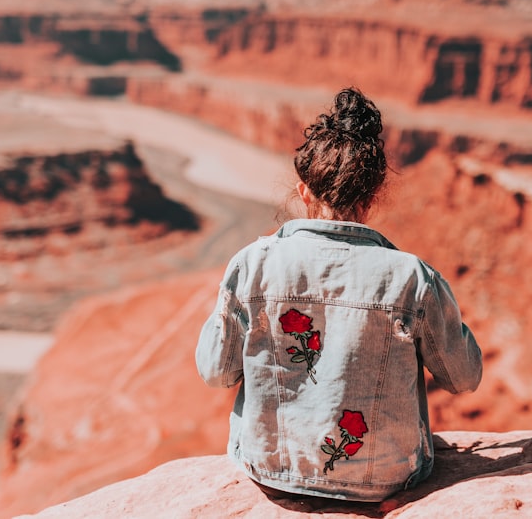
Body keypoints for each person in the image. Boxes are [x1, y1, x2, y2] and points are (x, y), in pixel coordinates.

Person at [195, 87, 482, 502]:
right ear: (372, 196)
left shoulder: (252, 264)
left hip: (271, 471)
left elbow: (214, 372)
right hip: (387, 477)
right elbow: (463, 377)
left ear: (304, 191)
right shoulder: (412, 277)